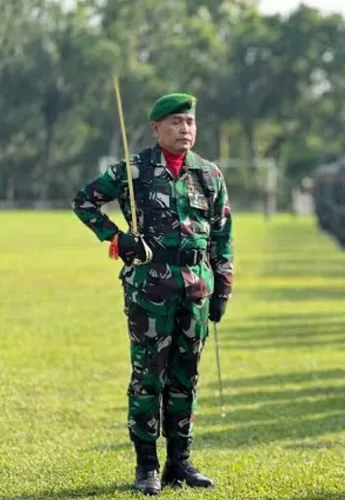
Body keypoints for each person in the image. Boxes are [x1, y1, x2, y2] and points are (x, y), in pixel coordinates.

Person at [72, 93, 233, 496]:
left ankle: (181, 461)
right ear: (156, 128)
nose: (185, 129)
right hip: (150, 287)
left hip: (197, 286)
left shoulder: (208, 174)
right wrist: (118, 239)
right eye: (176, 122)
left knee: (186, 376)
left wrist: (222, 286)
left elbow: (222, 234)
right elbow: (84, 202)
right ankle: (147, 466)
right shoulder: (134, 170)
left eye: (190, 122)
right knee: (149, 377)